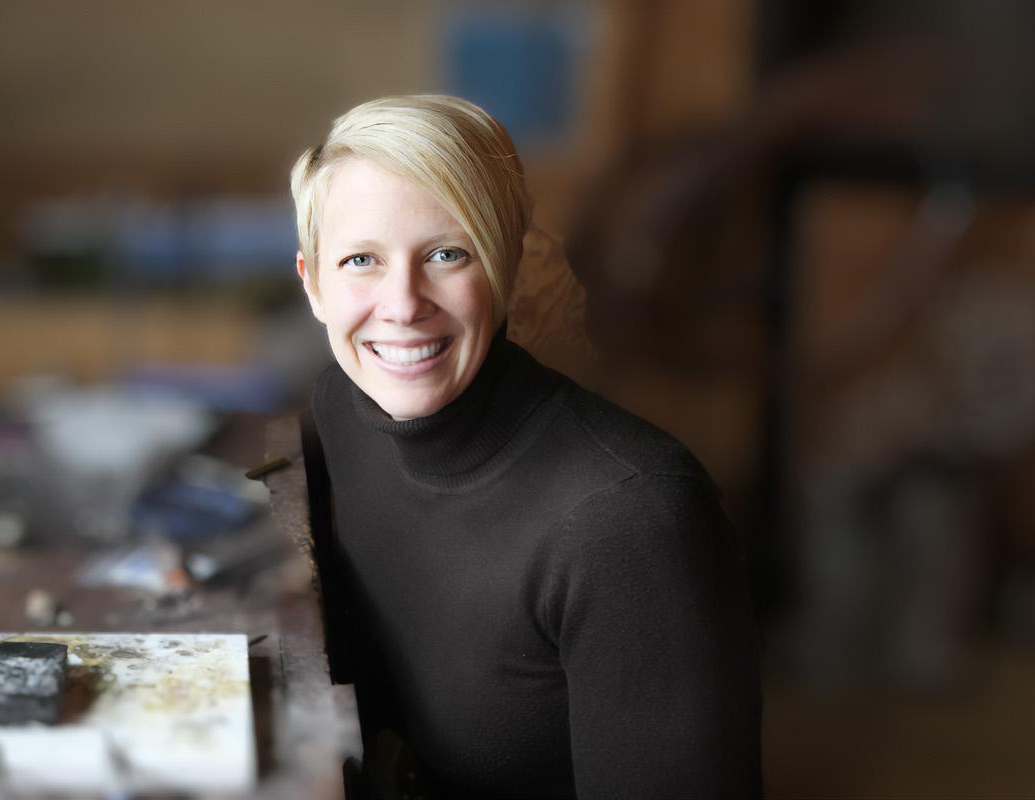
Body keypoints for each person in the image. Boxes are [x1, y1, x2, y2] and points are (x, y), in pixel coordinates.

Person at [291, 94, 761, 798]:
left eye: (448, 254)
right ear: (314, 284)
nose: (402, 303)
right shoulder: (340, 414)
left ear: (507, 269)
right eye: (361, 260)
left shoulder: (629, 520)